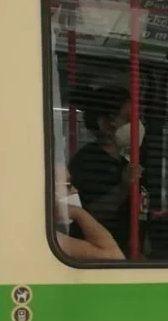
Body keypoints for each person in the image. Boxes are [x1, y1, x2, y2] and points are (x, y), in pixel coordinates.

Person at [69, 86, 146, 255]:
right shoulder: (88, 161)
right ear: (104, 124)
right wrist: (124, 186)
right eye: (128, 119)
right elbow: (89, 215)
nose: (137, 126)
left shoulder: (124, 163)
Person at [54, 164, 123, 261]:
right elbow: (113, 256)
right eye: (69, 185)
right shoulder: (52, 239)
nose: (75, 190)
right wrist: (78, 213)